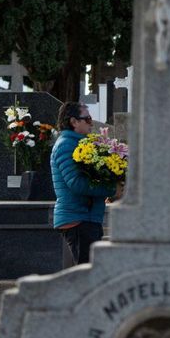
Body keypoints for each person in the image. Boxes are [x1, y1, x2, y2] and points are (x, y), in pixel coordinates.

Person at [51, 102, 119, 267]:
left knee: (89, 273)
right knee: (86, 276)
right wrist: (110, 189)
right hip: (78, 218)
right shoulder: (67, 145)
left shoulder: (79, 144)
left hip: (85, 217)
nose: (91, 123)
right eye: (87, 119)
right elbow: (76, 184)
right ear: (74, 122)